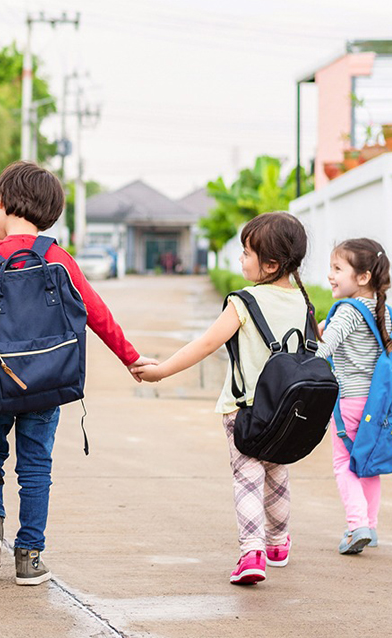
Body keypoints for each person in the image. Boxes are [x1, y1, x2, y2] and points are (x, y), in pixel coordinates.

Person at [0, 161, 151, 586]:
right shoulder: (58, 258)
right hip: (49, 383)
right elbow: (96, 312)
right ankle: (30, 557)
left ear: (2, 205)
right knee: (36, 466)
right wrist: (130, 357)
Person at [131, 211, 315, 585]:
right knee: (277, 475)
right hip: (286, 412)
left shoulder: (243, 302)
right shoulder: (303, 301)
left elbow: (207, 343)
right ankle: (278, 544)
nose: (240, 259)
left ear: (271, 263)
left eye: (247, 253)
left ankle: (252, 552)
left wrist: (162, 370)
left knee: (247, 479)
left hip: (245, 411)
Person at [315, 238, 392, 555]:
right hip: (376, 404)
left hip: (348, 402)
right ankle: (370, 527)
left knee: (344, 463)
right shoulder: (383, 310)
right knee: (368, 466)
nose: (330, 276)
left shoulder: (347, 311)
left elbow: (323, 352)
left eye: (337, 269)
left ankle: (356, 524)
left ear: (362, 277)